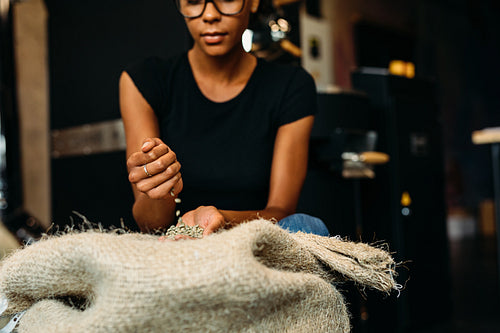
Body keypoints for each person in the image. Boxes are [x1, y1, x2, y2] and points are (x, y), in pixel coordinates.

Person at [119, 0, 329, 237]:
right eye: (195, 1)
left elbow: (281, 211)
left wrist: (219, 220)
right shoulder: (145, 81)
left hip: (252, 240)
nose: (210, 15)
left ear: (253, 3)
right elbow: (151, 226)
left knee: (308, 226)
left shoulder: (291, 86)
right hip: (178, 244)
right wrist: (159, 186)